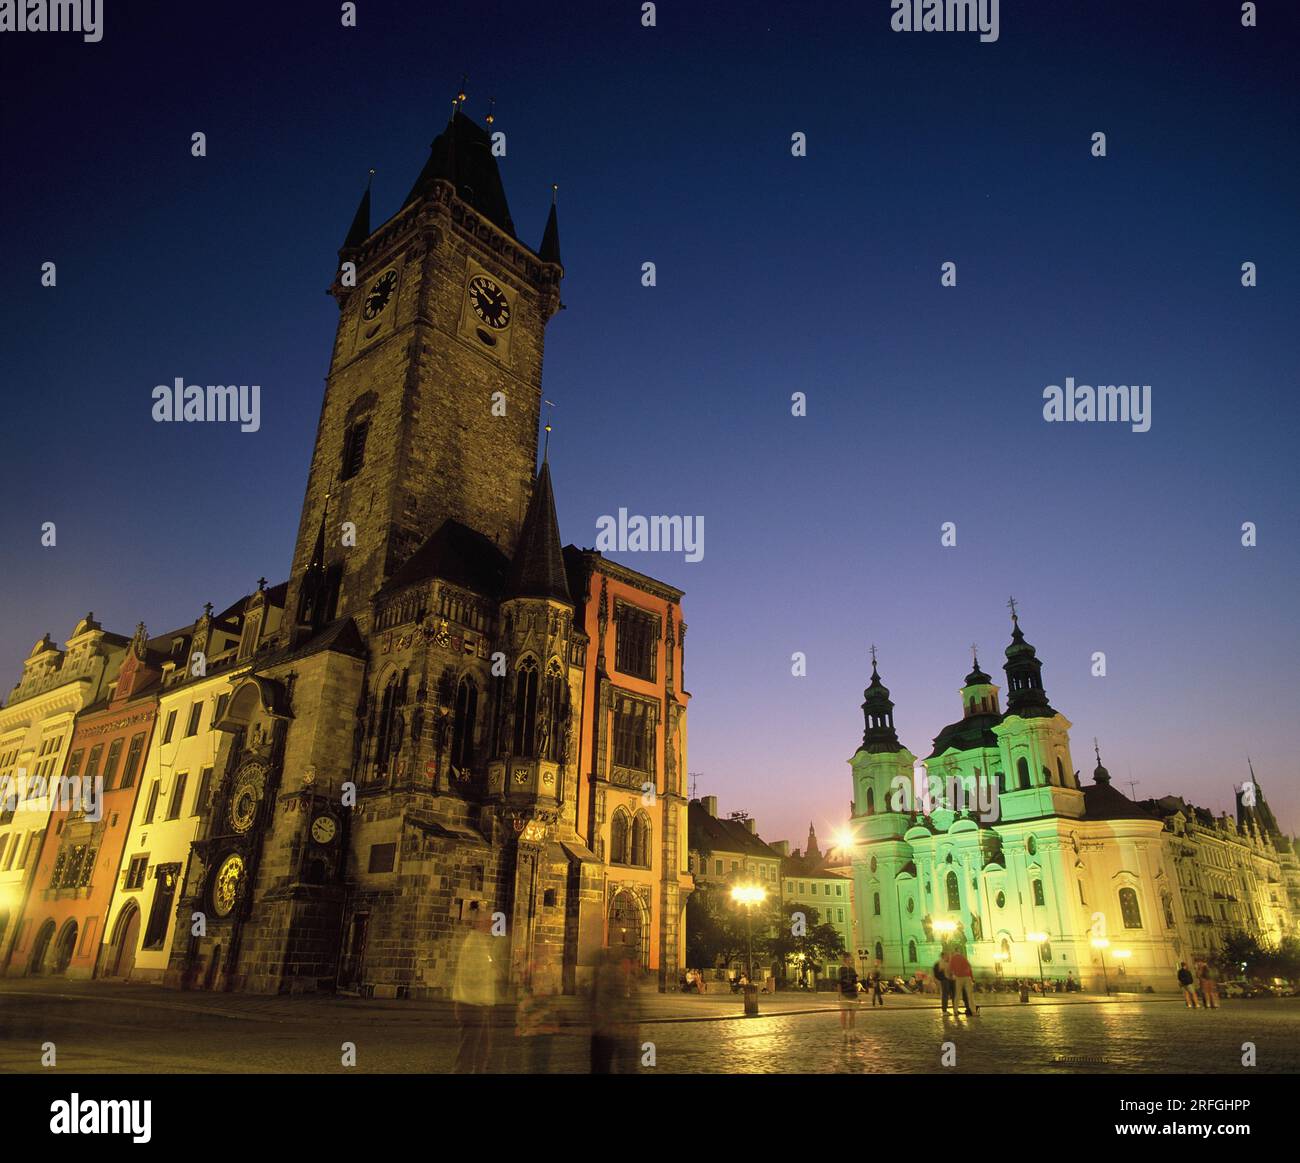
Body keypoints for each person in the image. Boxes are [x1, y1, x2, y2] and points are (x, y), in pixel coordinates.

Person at [452, 902, 501, 1073]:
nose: (493, 925)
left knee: (481, 1050)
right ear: (481, 923)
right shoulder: (475, 944)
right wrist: (492, 972)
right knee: (468, 1053)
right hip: (473, 1005)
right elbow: (473, 975)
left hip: (479, 1005)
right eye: (490, 921)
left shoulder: (480, 942)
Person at [515, 959, 561, 1073]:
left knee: (537, 1059)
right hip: (537, 1027)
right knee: (537, 1059)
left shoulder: (540, 974)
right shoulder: (535, 974)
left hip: (540, 1027)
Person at [948, 947, 977, 1017]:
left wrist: (953, 975)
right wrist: (972, 978)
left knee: (957, 995)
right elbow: (969, 968)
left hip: (958, 978)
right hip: (967, 977)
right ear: (959, 952)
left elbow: (951, 968)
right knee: (970, 995)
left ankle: (955, 1011)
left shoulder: (952, 959)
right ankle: (973, 1011)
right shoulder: (963, 958)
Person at [837, 953, 860, 1036]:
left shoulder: (853, 970)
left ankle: (852, 1030)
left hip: (853, 995)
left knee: (852, 1015)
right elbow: (839, 983)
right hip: (845, 994)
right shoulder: (841, 970)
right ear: (846, 959)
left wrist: (858, 994)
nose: (852, 960)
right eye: (850, 958)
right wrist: (840, 994)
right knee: (844, 1013)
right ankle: (844, 1030)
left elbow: (855, 983)